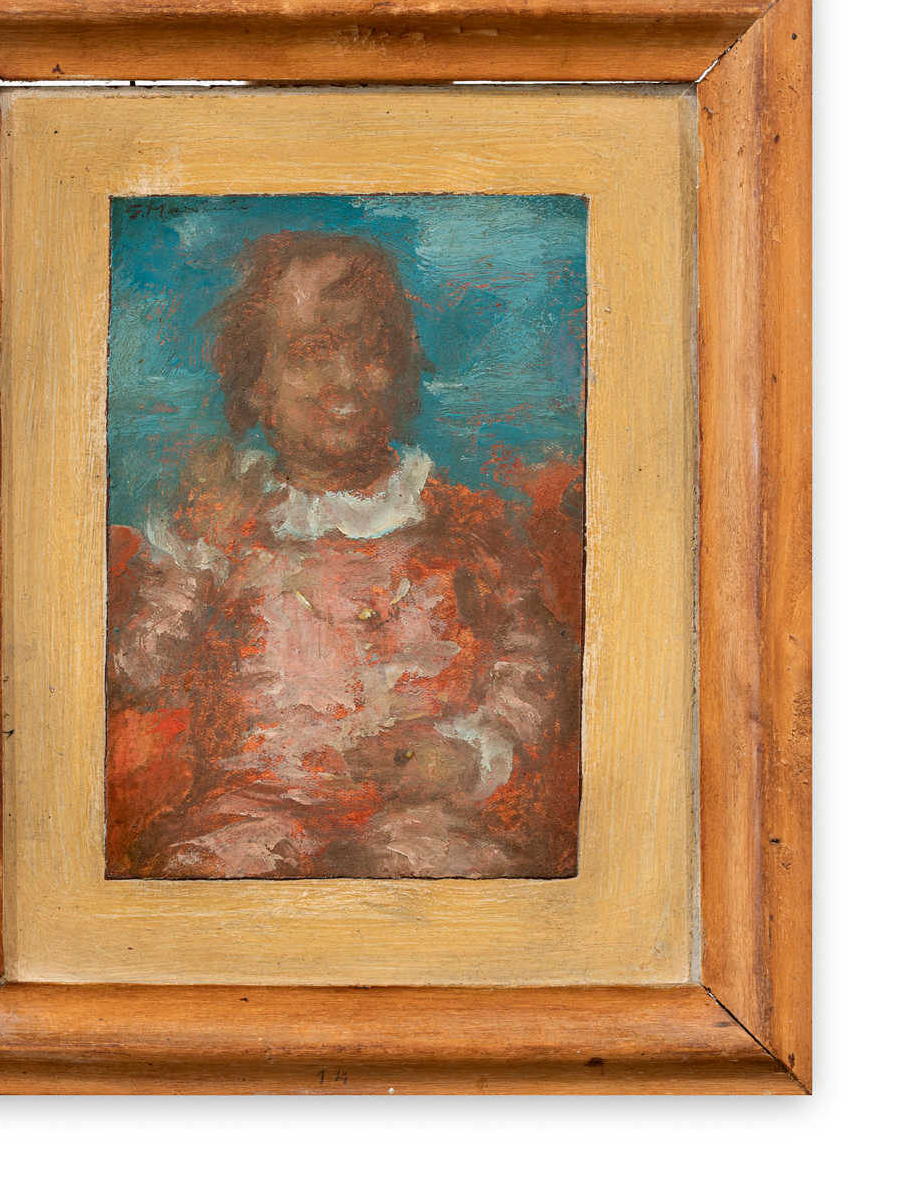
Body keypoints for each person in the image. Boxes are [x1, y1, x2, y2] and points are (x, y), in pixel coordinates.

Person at [106, 231, 580, 879]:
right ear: (256, 385)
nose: (346, 379)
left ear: (401, 370)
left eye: (371, 351)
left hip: (426, 815)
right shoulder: (222, 526)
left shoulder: (466, 526)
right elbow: (140, 671)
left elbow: (531, 671)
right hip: (253, 811)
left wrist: (470, 754)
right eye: (311, 354)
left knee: (437, 871)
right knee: (214, 875)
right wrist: (199, 556)